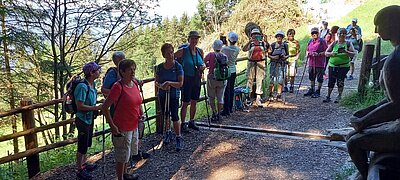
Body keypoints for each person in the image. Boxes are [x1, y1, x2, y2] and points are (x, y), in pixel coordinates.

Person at [346, 5, 400, 179]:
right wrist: (367, 112)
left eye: (379, 24)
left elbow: (396, 106)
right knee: (352, 135)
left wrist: (364, 121)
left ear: (393, 24)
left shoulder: (396, 59)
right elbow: (391, 98)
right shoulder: (395, 55)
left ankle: (364, 175)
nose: (376, 30)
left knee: (354, 142)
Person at [101, 51, 150, 161]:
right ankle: (124, 166)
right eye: (121, 59)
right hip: (118, 107)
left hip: (131, 111)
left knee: (135, 134)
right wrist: (118, 95)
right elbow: (104, 90)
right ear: (116, 61)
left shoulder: (129, 74)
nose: (123, 60)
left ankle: (135, 153)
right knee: (124, 142)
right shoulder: (112, 73)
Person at [102, 59, 142, 180]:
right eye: (130, 69)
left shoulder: (134, 84)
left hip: (133, 124)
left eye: (134, 69)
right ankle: (120, 178)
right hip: (122, 127)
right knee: (121, 155)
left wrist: (140, 114)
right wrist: (113, 126)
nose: (133, 71)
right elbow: (105, 107)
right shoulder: (117, 87)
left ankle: (125, 174)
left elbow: (137, 102)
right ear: (122, 72)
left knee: (127, 153)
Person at [75, 62, 102, 180]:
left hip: (89, 118)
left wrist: (95, 107)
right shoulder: (82, 86)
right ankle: (79, 169)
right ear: (91, 73)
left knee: (87, 143)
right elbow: (79, 106)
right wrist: (95, 108)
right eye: (97, 70)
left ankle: (84, 164)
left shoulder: (92, 84)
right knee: (82, 144)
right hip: (82, 119)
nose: (99, 71)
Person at [174, 30, 205, 132]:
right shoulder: (183, 51)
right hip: (186, 79)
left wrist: (203, 67)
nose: (194, 40)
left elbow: (203, 63)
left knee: (194, 101)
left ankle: (191, 121)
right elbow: (172, 57)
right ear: (189, 39)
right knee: (185, 102)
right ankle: (183, 123)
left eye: (196, 38)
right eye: (192, 38)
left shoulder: (200, 51)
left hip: (196, 79)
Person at [155, 43, 184, 151]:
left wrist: (169, 83)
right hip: (163, 94)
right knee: (165, 114)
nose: (170, 55)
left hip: (173, 95)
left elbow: (180, 83)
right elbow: (156, 82)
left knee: (175, 115)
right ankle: (168, 132)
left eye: (171, 52)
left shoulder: (178, 66)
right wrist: (161, 86)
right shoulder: (160, 67)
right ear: (163, 55)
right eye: (168, 53)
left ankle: (178, 137)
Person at [323, 28, 355, 103]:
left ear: (346, 35)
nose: (342, 35)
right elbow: (326, 53)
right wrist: (332, 54)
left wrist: (346, 52)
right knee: (331, 81)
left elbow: (353, 53)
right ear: (337, 34)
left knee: (340, 81)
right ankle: (328, 96)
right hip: (332, 66)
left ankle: (339, 96)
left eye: (344, 33)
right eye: (340, 33)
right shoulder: (334, 43)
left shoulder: (348, 43)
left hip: (343, 66)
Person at [242, 28, 268, 106]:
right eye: (254, 35)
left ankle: (258, 98)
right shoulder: (251, 44)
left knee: (259, 79)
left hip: (261, 62)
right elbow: (244, 49)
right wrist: (250, 41)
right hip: (251, 63)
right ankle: (248, 97)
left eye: (257, 35)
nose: (256, 36)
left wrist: (266, 41)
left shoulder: (263, 43)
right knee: (250, 79)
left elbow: (269, 50)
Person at [204, 40, 228, 121]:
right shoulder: (224, 56)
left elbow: (203, 62)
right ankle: (219, 114)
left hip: (212, 78)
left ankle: (214, 113)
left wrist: (208, 66)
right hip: (222, 79)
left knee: (211, 97)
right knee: (220, 97)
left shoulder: (210, 54)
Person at [304, 27, 328, 98]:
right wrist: (307, 54)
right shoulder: (310, 41)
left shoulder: (322, 41)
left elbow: (327, 51)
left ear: (318, 33)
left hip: (319, 62)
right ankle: (312, 89)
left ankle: (318, 91)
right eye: (312, 33)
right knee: (311, 76)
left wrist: (319, 54)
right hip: (311, 62)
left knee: (319, 77)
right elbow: (307, 49)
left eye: (315, 33)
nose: (314, 34)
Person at [221, 32, 240, 116]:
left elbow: (220, 53)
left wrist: (224, 44)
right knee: (231, 89)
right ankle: (230, 107)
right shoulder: (237, 49)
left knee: (226, 91)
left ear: (229, 39)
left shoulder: (225, 49)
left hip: (227, 71)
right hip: (233, 70)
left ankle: (226, 109)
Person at [268, 30, 289, 101]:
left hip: (282, 64)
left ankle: (279, 95)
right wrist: (274, 57)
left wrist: (284, 57)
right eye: (278, 36)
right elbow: (268, 55)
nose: (279, 37)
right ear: (276, 37)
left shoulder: (285, 45)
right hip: (273, 64)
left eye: (280, 36)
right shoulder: (273, 45)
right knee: (272, 79)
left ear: (282, 37)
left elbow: (287, 55)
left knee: (280, 79)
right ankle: (270, 94)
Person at [284, 29, 300, 93]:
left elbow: (298, 51)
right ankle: (285, 86)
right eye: (289, 35)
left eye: (292, 35)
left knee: (292, 74)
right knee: (285, 74)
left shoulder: (296, 42)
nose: (291, 36)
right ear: (287, 35)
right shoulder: (285, 42)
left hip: (293, 58)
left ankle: (291, 86)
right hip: (286, 59)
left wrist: (296, 57)